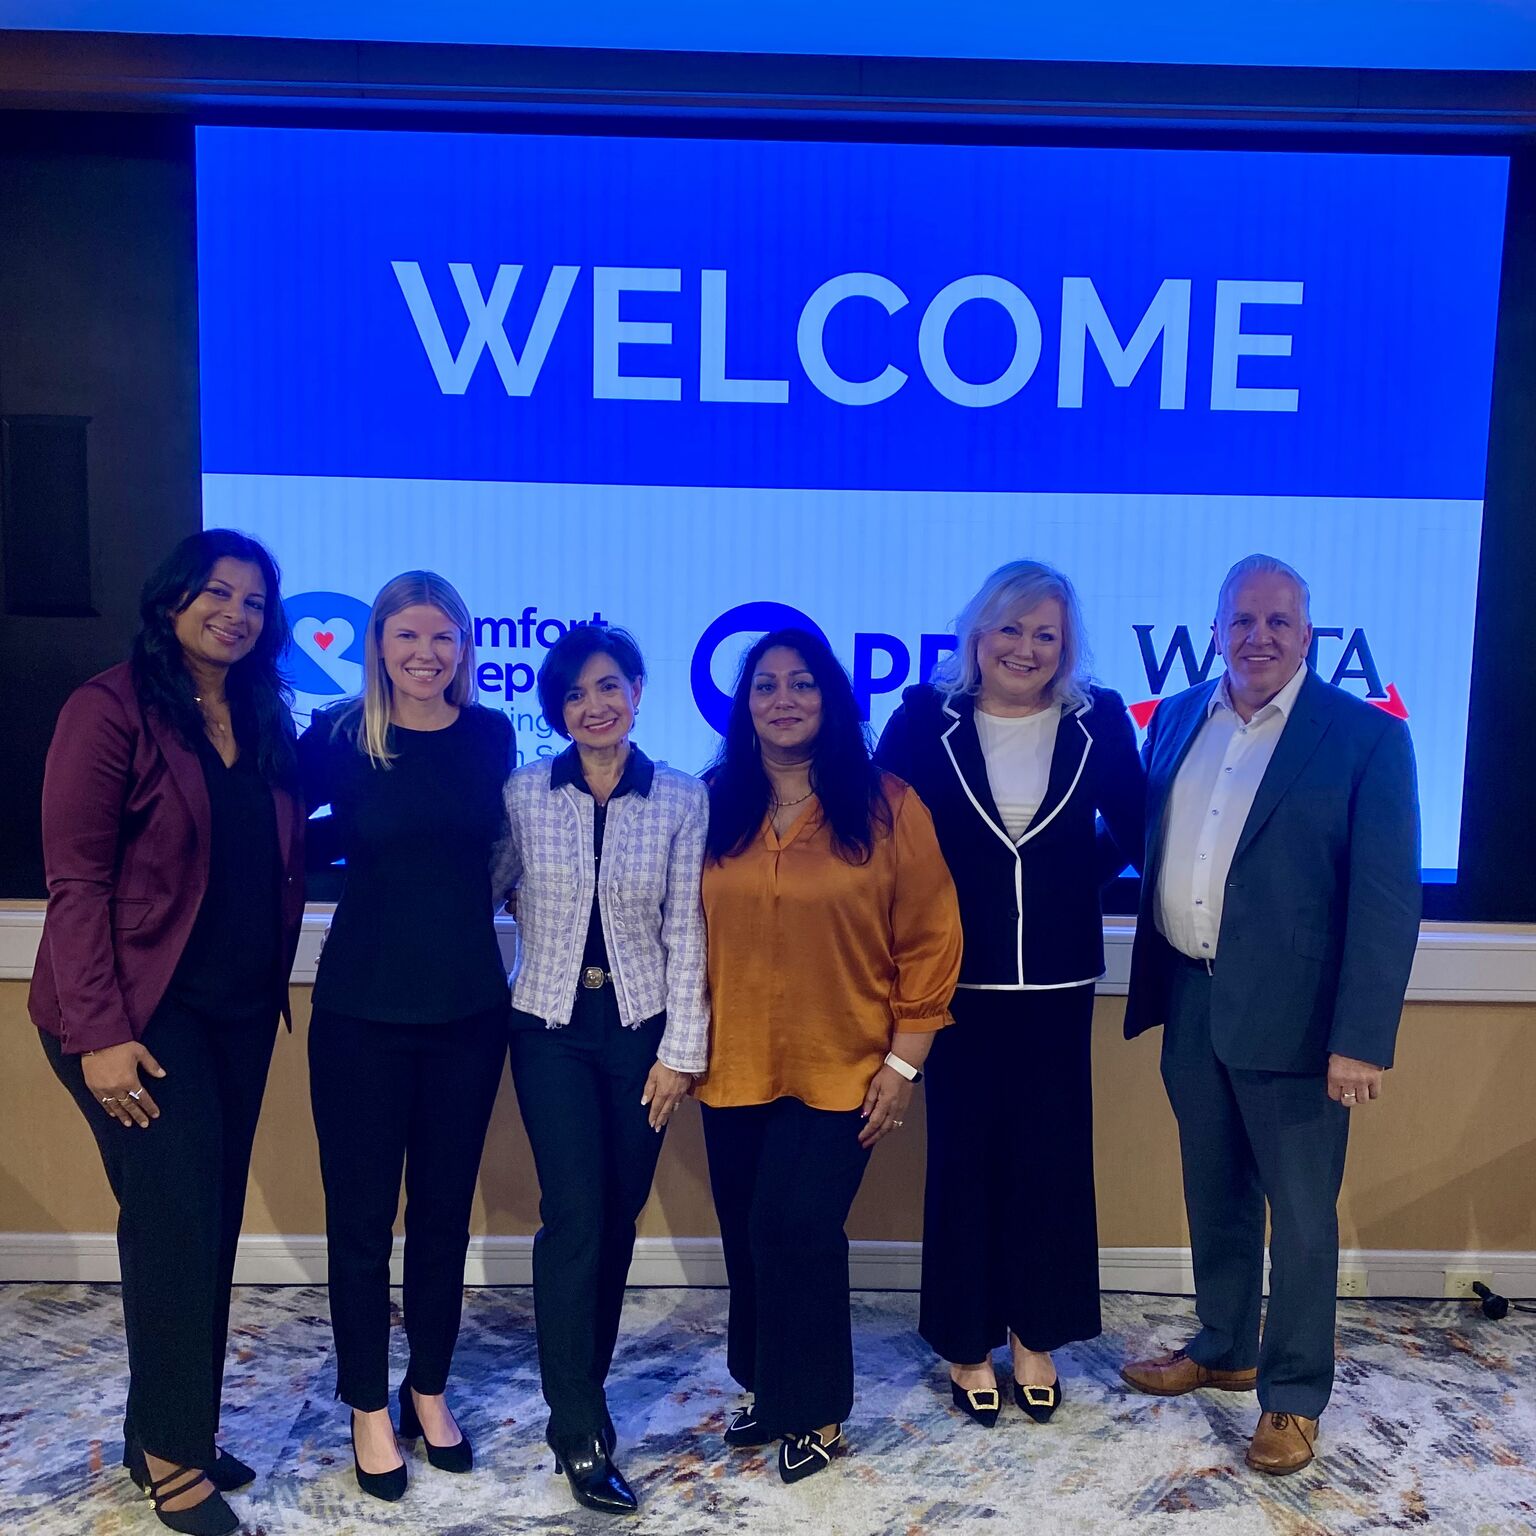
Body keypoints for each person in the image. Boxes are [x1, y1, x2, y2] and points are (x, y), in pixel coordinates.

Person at [1118, 554, 1420, 1477]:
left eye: (1278, 622)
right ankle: (1224, 1345)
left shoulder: (1366, 737)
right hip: (1192, 997)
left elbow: (1385, 902)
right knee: (1213, 1191)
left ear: (1309, 635)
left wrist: (1360, 1040)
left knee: (1301, 1215)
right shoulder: (1174, 719)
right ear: (1215, 630)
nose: (1259, 637)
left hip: (1301, 1020)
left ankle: (1292, 1396)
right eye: (1242, 621)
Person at [29, 530, 306, 1536]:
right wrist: (99, 1033)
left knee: (201, 1224)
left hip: (237, 1013)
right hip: (138, 1019)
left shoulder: (261, 713)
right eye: (217, 593)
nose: (236, 613)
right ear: (171, 599)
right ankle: (172, 1457)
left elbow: (268, 847)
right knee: (176, 1224)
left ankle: (169, 1425)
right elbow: (76, 880)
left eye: (255, 601)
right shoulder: (109, 709)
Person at [876, 559, 1145, 1428]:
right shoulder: (924, 718)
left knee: (1051, 1161)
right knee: (963, 1160)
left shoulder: (1099, 718)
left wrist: (1071, 882)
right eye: (1011, 629)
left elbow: (1138, 828)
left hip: (1059, 980)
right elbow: (879, 833)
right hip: (956, 979)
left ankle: (1036, 1336)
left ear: (1067, 645)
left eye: (1045, 634)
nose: (1025, 648)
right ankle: (966, 1342)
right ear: (978, 634)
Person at [698, 627, 962, 1485]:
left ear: (833, 698)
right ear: (745, 705)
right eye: (766, 684)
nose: (784, 699)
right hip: (732, 1063)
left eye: (803, 683)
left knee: (799, 1230)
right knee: (749, 1233)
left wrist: (905, 1064)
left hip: (846, 1066)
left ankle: (816, 1409)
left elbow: (930, 938)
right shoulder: (711, 803)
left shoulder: (889, 805)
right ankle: (767, 1386)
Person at [298, 571, 514, 1502]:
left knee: (441, 1216)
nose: (426, 654)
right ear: (378, 645)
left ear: (463, 647)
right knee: (359, 1222)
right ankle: (365, 1405)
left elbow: (498, 849)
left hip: (467, 1012)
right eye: (407, 637)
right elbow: (278, 832)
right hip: (360, 1014)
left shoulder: (491, 736)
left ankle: (427, 1388)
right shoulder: (340, 735)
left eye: (442, 637)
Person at [497, 624, 708, 1515]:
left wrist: (681, 1052)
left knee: (616, 1216)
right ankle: (578, 1426)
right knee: (575, 1214)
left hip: (640, 1031)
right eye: (576, 693)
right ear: (556, 707)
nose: (595, 705)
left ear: (637, 691)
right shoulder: (523, 793)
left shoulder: (682, 797)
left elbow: (687, 929)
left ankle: (583, 1388)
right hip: (547, 1026)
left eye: (609, 686)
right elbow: (486, 881)